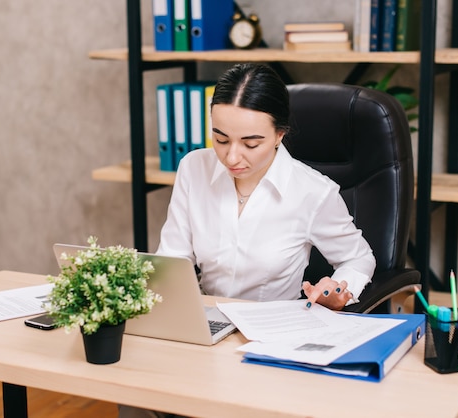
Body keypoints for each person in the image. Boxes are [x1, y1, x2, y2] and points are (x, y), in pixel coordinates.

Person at [118, 63, 375, 417]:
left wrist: (340, 289)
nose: (232, 156)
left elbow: (359, 258)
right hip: (204, 328)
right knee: (132, 389)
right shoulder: (194, 168)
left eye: (251, 142)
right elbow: (174, 259)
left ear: (280, 134)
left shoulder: (312, 192)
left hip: (271, 342)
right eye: (220, 139)